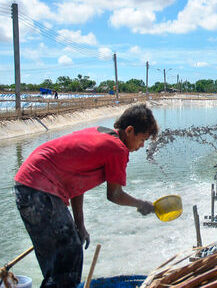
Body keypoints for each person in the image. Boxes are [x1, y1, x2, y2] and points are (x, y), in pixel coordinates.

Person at [14, 104, 159, 287]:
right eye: (142, 139)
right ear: (129, 131)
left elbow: (77, 183)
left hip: (29, 186)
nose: (142, 145)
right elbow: (114, 194)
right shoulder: (117, 148)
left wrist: (79, 224)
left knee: (59, 261)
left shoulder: (101, 133)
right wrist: (142, 204)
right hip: (39, 188)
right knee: (68, 255)